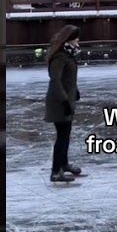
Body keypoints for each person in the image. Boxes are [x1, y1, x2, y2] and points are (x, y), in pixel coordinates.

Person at [45, 25, 83, 182]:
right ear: (69, 39)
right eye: (76, 38)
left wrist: (75, 91)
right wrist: (65, 101)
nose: (78, 41)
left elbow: (68, 78)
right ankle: (55, 171)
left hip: (67, 99)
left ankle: (64, 164)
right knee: (61, 137)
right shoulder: (60, 57)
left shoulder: (69, 54)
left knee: (65, 136)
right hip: (59, 102)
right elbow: (56, 81)